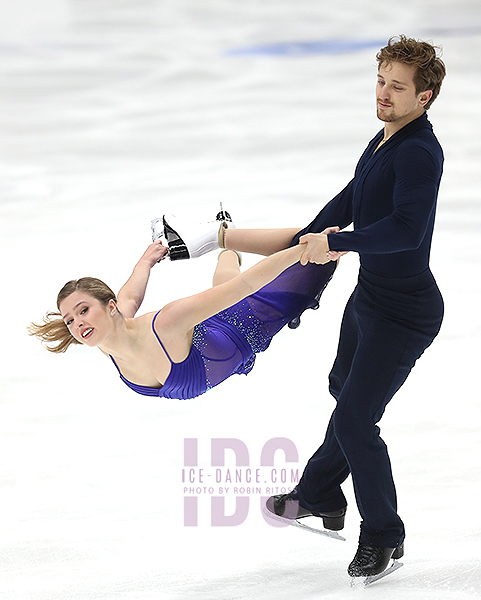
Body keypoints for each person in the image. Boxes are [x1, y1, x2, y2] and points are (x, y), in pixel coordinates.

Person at [170, 35, 446, 579]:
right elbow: (341, 208)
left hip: (407, 313)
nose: (384, 94)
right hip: (371, 299)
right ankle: (320, 494)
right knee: (345, 396)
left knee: (356, 420)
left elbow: (405, 231)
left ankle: (384, 535)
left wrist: (336, 244)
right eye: (381, 81)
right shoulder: (385, 141)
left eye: (398, 87)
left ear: (426, 97)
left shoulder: (419, 152)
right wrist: (240, 240)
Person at [29, 218, 337, 401]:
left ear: (109, 308)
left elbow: (243, 288)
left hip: (246, 323)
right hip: (218, 329)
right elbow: (129, 297)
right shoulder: (108, 340)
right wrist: (146, 262)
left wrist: (303, 250)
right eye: (70, 319)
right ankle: (226, 243)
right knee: (224, 284)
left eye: (83, 310)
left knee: (322, 248)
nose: (77, 324)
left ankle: (221, 236)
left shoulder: (165, 325)